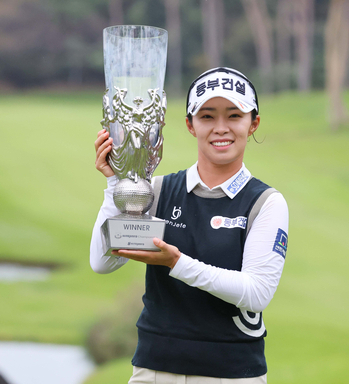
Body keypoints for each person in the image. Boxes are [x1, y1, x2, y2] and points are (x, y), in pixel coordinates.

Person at [90, 67, 289, 384]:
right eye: (207, 116)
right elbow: (102, 262)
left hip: (231, 375)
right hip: (152, 372)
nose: (220, 128)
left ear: (253, 124)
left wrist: (176, 262)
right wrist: (116, 184)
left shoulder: (265, 202)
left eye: (234, 116)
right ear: (189, 125)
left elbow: (257, 293)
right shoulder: (156, 191)